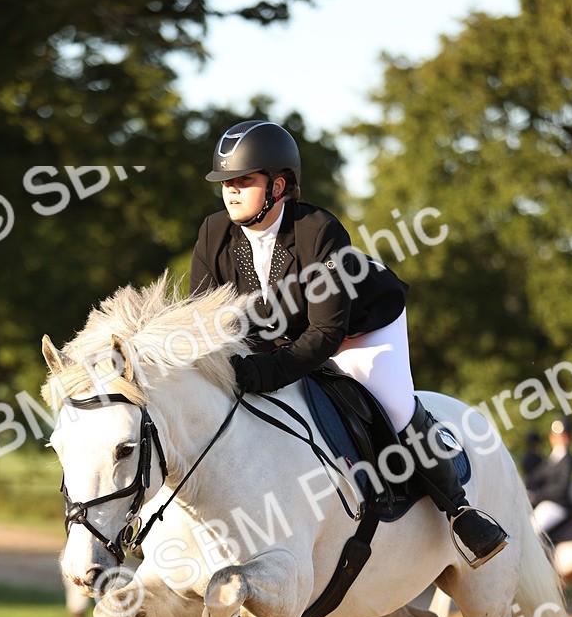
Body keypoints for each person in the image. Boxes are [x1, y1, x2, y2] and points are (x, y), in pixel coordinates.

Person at [189, 119, 508, 567]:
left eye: (244, 181)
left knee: (392, 405)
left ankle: (459, 509)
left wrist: (267, 370)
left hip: (359, 330)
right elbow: (206, 323)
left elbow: (325, 333)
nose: (231, 191)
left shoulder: (319, 231)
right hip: (283, 337)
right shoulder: (213, 233)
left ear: (278, 186)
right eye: (226, 182)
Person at [528, 417, 572, 536]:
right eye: (554, 436)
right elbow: (535, 476)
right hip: (545, 503)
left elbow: (561, 487)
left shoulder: (568, 460)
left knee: (532, 529)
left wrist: (538, 495)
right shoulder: (551, 458)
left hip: (557, 505)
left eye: (561, 436)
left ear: (568, 438)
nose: (557, 440)